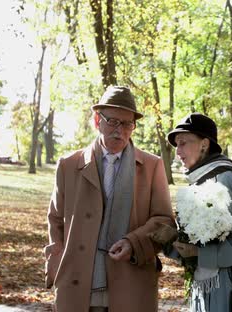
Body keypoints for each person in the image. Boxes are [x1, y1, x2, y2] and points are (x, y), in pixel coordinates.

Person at [44, 86, 176, 312]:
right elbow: (56, 220)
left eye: (127, 124)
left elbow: (165, 222)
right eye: (113, 122)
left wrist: (134, 243)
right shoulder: (68, 165)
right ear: (97, 121)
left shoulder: (152, 166)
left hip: (132, 282)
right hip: (78, 284)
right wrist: (56, 263)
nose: (120, 131)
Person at [167, 113, 232, 312]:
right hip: (205, 285)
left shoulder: (224, 178)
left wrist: (201, 253)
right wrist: (169, 241)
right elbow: (192, 243)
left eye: (183, 143)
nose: (178, 152)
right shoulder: (199, 180)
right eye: (176, 145)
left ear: (204, 144)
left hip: (230, 285)